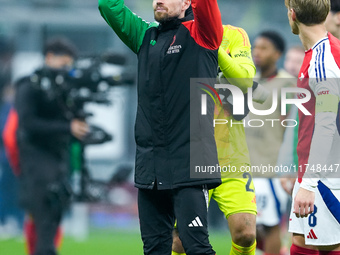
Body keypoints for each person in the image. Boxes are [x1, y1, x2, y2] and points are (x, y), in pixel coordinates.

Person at [98, 0, 223, 254]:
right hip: (150, 169)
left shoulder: (203, 34)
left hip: (189, 165)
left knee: (197, 248)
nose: (158, 1)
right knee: (154, 249)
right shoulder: (145, 36)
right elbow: (108, 6)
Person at [171, 24, 257, 255]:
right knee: (180, 241)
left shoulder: (234, 35)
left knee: (246, 234)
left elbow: (245, 81)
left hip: (232, 156)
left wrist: (214, 48)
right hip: (189, 156)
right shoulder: (175, 35)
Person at [15, 37, 89, 255]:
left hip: (59, 159)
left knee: (52, 223)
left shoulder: (66, 89)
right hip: (36, 162)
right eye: (64, 63)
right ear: (49, 57)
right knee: (43, 224)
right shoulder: (29, 85)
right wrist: (68, 127)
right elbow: (27, 123)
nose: (67, 70)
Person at [285, 0, 340, 254]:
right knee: (301, 239)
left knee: (330, 245)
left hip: (326, 172)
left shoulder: (322, 60)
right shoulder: (318, 53)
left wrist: (308, 184)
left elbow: (326, 126)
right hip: (313, 167)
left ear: (292, 15)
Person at [245, 30, 294, 255]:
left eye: (264, 48)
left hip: (272, 168)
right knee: (247, 229)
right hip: (244, 168)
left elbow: (293, 129)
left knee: (271, 225)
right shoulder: (247, 81)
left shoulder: (288, 85)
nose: (257, 52)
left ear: (277, 54)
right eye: (255, 47)